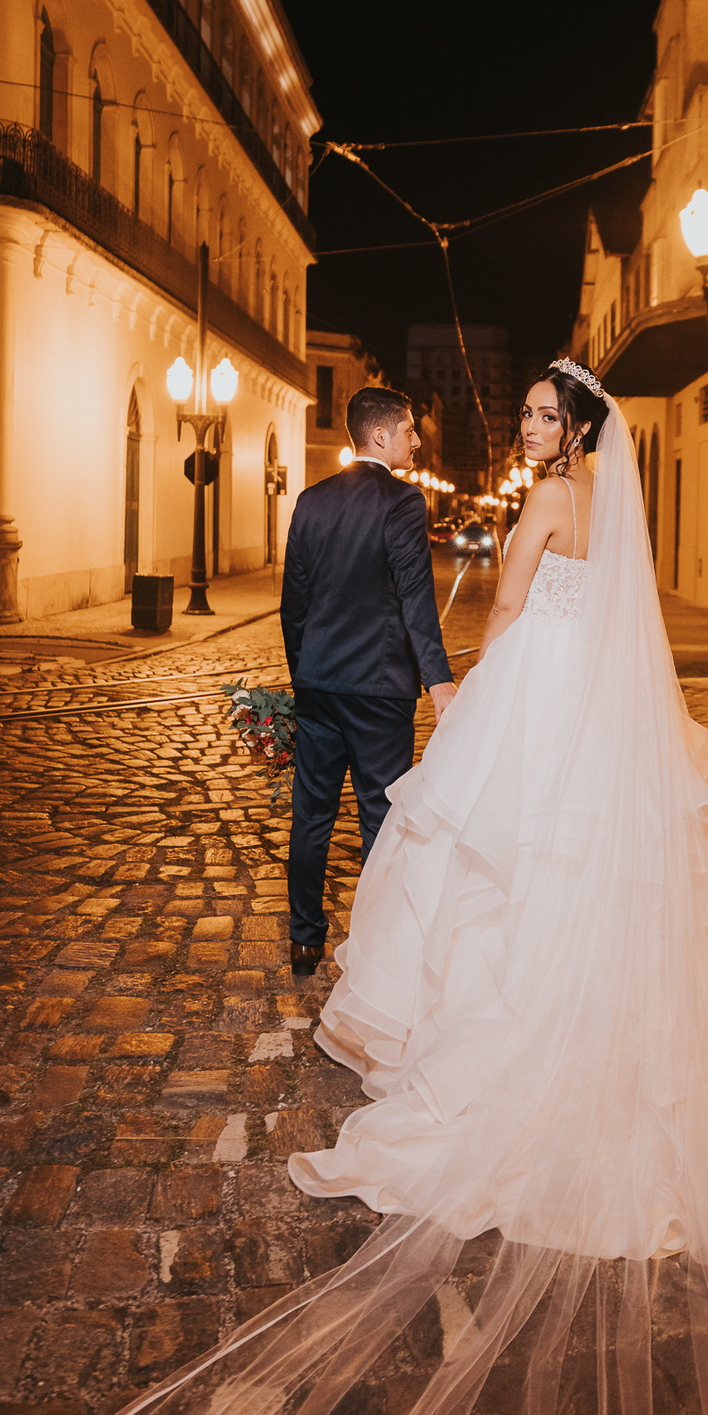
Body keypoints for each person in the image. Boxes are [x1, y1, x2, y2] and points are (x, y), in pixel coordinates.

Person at [0, 362, 708, 1415]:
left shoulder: (550, 498)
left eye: (549, 415)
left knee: (465, 854)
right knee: (569, 857)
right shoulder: (613, 501)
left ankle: (460, 1011)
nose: (536, 428)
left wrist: (470, 691)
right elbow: (620, 616)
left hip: (525, 693)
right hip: (592, 711)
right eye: (536, 415)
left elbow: (501, 606)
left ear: (576, 428)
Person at [279, 385, 456, 979]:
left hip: (320, 684)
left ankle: (304, 941)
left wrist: (303, 671)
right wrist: (438, 681)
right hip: (380, 690)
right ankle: (377, 951)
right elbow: (415, 598)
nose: (417, 439)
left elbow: (294, 602)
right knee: (380, 818)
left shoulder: (310, 500)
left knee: (312, 816)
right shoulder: (403, 501)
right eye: (409, 430)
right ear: (380, 435)